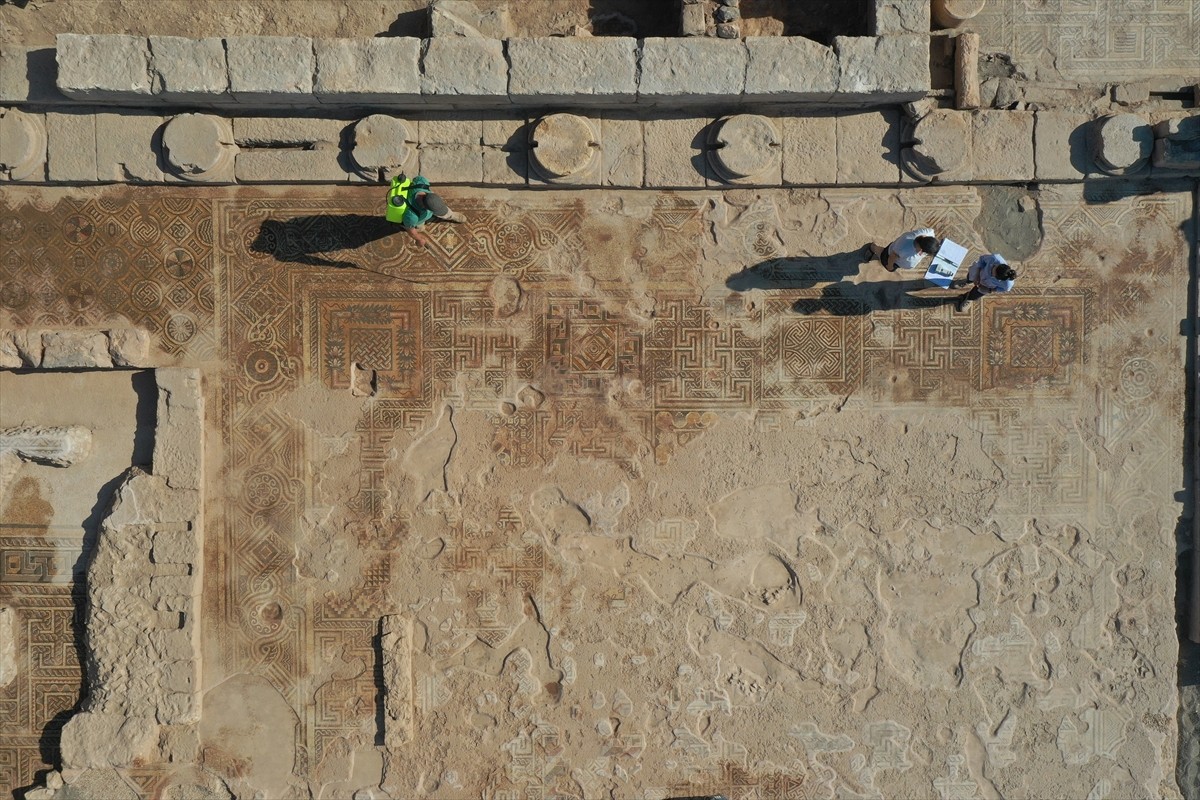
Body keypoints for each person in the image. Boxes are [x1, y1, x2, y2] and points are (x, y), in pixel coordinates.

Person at [385, 173, 465, 248]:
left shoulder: (421, 183)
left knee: (435, 205)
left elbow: (417, 179)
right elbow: (410, 230)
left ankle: (451, 215)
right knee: (420, 226)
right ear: (425, 207)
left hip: (427, 203)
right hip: (417, 219)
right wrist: (418, 239)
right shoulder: (411, 216)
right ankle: (420, 226)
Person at [866, 227, 940, 272]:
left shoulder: (929, 232)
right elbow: (892, 256)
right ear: (922, 250)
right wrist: (889, 266)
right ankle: (873, 248)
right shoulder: (904, 249)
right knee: (881, 252)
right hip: (890, 256)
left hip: (896, 248)